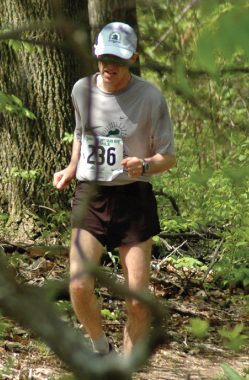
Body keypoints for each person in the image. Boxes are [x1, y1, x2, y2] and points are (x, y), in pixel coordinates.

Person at [52, 22, 177, 355]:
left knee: (137, 302)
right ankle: (100, 348)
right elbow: (82, 134)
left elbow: (169, 156)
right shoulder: (81, 90)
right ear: (96, 54)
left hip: (133, 198)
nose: (109, 66)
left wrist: (145, 164)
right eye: (105, 58)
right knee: (78, 284)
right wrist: (71, 167)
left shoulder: (150, 97)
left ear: (133, 58)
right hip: (91, 195)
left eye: (118, 60)